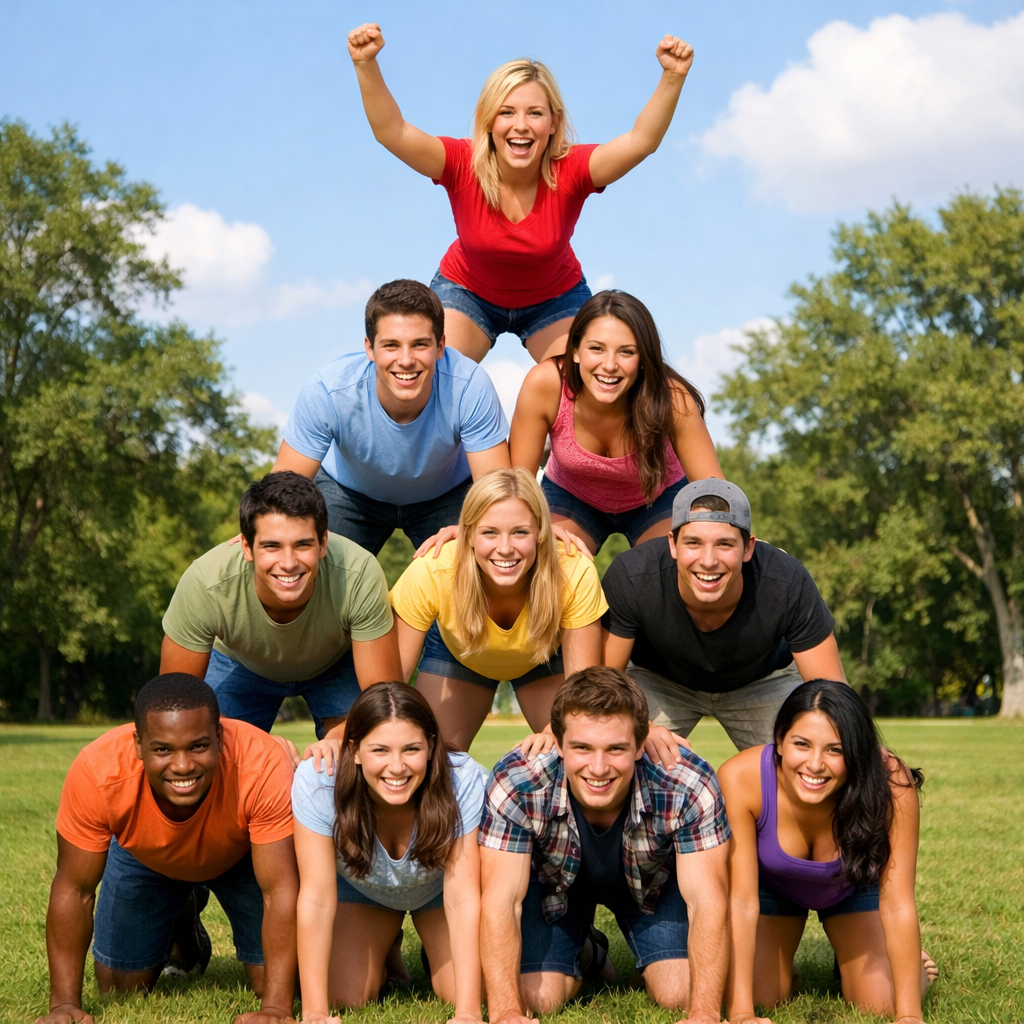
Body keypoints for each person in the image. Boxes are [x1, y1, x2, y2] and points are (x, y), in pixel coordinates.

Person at [347, 23, 696, 363]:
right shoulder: (461, 163)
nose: (521, 125)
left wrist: (673, 77)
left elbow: (641, 142)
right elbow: (392, 132)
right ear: (489, 121)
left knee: (580, 385)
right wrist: (366, 64)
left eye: (535, 113)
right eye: (507, 112)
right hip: (467, 292)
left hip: (554, 298)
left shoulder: (573, 169)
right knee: (436, 374)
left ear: (553, 123)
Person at [36, 675, 298, 1024]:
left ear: (220, 738)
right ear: (138, 745)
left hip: (242, 852)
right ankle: (182, 916)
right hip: (145, 856)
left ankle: (184, 899)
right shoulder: (97, 771)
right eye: (162, 749)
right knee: (120, 987)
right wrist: (64, 1005)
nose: (182, 766)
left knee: (280, 983)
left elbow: (280, 889)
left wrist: (277, 1009)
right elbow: (74, 888)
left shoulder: (261, 763)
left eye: (198, 746)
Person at [477, 667, 731, 1024]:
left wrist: (704, 1014)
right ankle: (588, 950)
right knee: (540, 997)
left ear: (640, 744)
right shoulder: (518, 781)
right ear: (559, 743)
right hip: (554, 885)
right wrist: (506, 1013)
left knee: (679, 992)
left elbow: (708, 900)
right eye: (582, 747)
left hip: (650, 885)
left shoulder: (686, 781)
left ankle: (649, 958)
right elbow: (501, 900)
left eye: (615, 749)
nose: (598, 767)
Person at [719, 679, 938, 1024]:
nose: (815, 764)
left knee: (881, 1003)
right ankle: (783, 966)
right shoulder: (740, 777)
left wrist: (909, 1016)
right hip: (772, 886)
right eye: (801, 744)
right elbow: (742, 901)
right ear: (779, 740)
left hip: (853, 881)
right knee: (761, 995)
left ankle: (899, 961)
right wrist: (742, 1013)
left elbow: (897, 904)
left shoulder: (892, 783)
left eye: (835, 750)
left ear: (857, 752)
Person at [603, 478, 846, 751]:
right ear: (672, 544)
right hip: (661, 680)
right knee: (614, 743)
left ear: (748, 547)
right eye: (693, 542)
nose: (708, 560)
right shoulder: (633, 576)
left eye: (725, 544)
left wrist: (864, 751)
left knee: (820, 751)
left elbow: (833, 696)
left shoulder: (786, 580)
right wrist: (641, 728)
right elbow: (604, 683)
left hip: (762, 681)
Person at [292, 682, 486, 1021]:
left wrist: (468, 1013)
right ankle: (384, 949)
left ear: (430, 746)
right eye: (380, 750)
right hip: (364, 891)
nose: (396, 768)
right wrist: (313, 1014)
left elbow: (463, 897)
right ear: (354, 749)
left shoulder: (463, 778)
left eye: (411, 749)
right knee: (343, 995)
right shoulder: (319, 780)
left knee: (471, 990)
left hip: (439, 893)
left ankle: (434, 949)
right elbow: (316, 898)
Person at [272, 279, 511, 553]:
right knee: (308, 557)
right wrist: (257, 533)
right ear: (369, 348)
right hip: (350, 492)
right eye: (391, 345)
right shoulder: (328, 390)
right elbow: (283, 490)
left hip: (445, 494)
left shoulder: (469, 386)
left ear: (441, 346)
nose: (406, 359)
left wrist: (473, 528)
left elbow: (498, 496)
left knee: (475, 555)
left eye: (420, 344)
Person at [160, 471, 402, 743]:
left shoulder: (359, 572)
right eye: (271, 546)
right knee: (202, 745)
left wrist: (340, 739)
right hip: (240, 661)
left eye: (302, 545)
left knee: (369, 744)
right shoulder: (206, 581)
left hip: (334, 663)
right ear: (247, 547)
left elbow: (385, 703)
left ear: (323, 543)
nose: (288, 563)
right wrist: (258, 745)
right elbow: (172, 707)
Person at [389, 467, 606, 752]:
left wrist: (554, 734)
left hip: (544, 654)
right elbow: (389, 687)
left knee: (575, 745)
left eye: (520, 532)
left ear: (541, 533)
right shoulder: (433, 567)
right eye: (489, 532)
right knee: (433, 758)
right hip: (461, 653)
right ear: (467, 534)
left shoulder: (573, 568)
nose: (505, 548)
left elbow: (583, 691)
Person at [510, 290, 723, 554]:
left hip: (655, 497)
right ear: (575, 351)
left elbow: (714, 491)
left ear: (643, 359)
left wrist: (739, 536)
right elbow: (517, 483)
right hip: (571, 495)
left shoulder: (673, 400)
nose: (609, 365)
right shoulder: (546, 384)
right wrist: (532, 530)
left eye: (626, 352)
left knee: (667, 565)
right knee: (550, 558)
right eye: (596, 348)